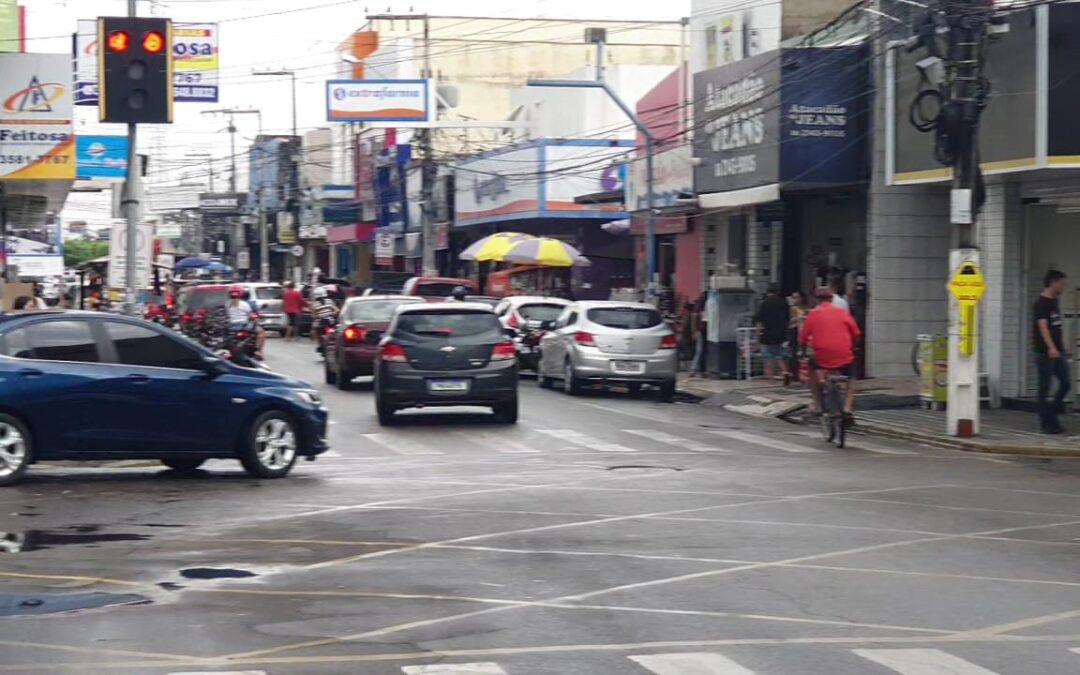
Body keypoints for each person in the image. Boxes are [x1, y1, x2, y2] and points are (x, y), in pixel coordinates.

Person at [799, 287, 862, 423]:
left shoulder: (812, 314)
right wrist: (853, 346)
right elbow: (856, 334)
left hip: (822, 356)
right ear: (832, 298)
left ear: (816, 299)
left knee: (811, 368)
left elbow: (803, 339)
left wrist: (802, 353)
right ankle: (847, 408)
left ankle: (818, 406)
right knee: (851, 377)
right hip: (844, 354)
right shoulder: (842, 312)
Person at [1034, 270, 1071, 434]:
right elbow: (1043, 327)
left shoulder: (1054, 302)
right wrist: (1051, 347)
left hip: (1059, 351)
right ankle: (1047, 423)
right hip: (1045, 352)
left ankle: (1054, 410)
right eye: (1061, 283)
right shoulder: (1041, 303)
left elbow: (1057, 327)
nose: (1063, 287)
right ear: (1053, 282)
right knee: (1045, 387)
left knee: (1066, 383)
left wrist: (1063, 347)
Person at [754, 284, 791, 383]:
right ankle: (785, 372)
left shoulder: (764, 303)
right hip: (781, 334)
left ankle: (770, 378)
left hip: (767, 333)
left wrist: (757, 336)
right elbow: (788, 319)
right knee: (780, 355)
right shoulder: (784, 302)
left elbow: (759, 321)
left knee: (768, 356)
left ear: (768, 292)